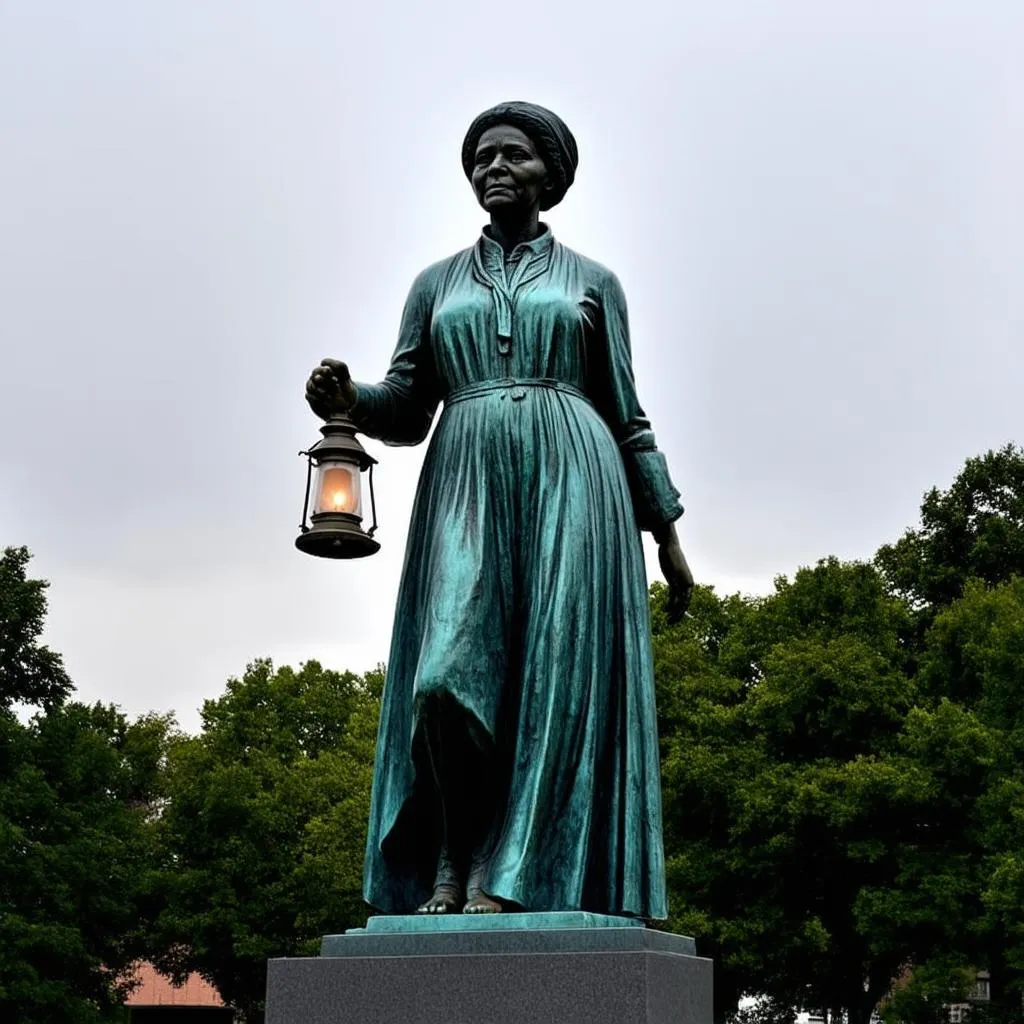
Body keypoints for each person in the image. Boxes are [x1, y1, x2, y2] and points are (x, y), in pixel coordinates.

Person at [305, 101, 693, 919]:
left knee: (552, 680)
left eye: (513, 155)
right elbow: (409, 405)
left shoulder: (593, 283)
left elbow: (628, 412)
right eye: (482, 157)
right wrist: (351, 400)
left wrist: (666, 533)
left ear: (550, 175)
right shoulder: (435, 285)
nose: (494, 168)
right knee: (444, 678)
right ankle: (450, 854)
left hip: (574, 476)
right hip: (468, 474)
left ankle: (505, 870)